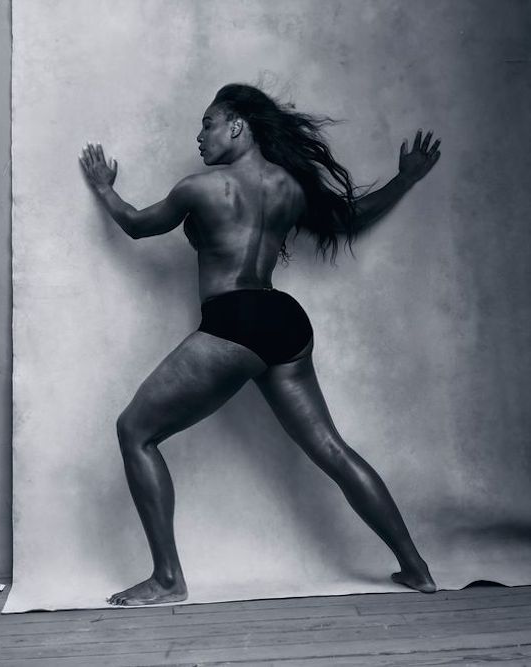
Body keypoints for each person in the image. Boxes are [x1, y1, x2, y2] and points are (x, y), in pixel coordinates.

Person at [79, 83, 441, 606]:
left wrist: (104, 188)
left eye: (208, 123)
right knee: (333, 450)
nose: (199, 136)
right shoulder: (292, 187)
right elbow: (350, 218)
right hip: (284, 321)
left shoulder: (200, 188)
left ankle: (167, 579)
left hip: (235, 320)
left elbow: (137, 225)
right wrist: (405, 178)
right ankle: (416, 567)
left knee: (135, 431)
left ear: (237, 126)